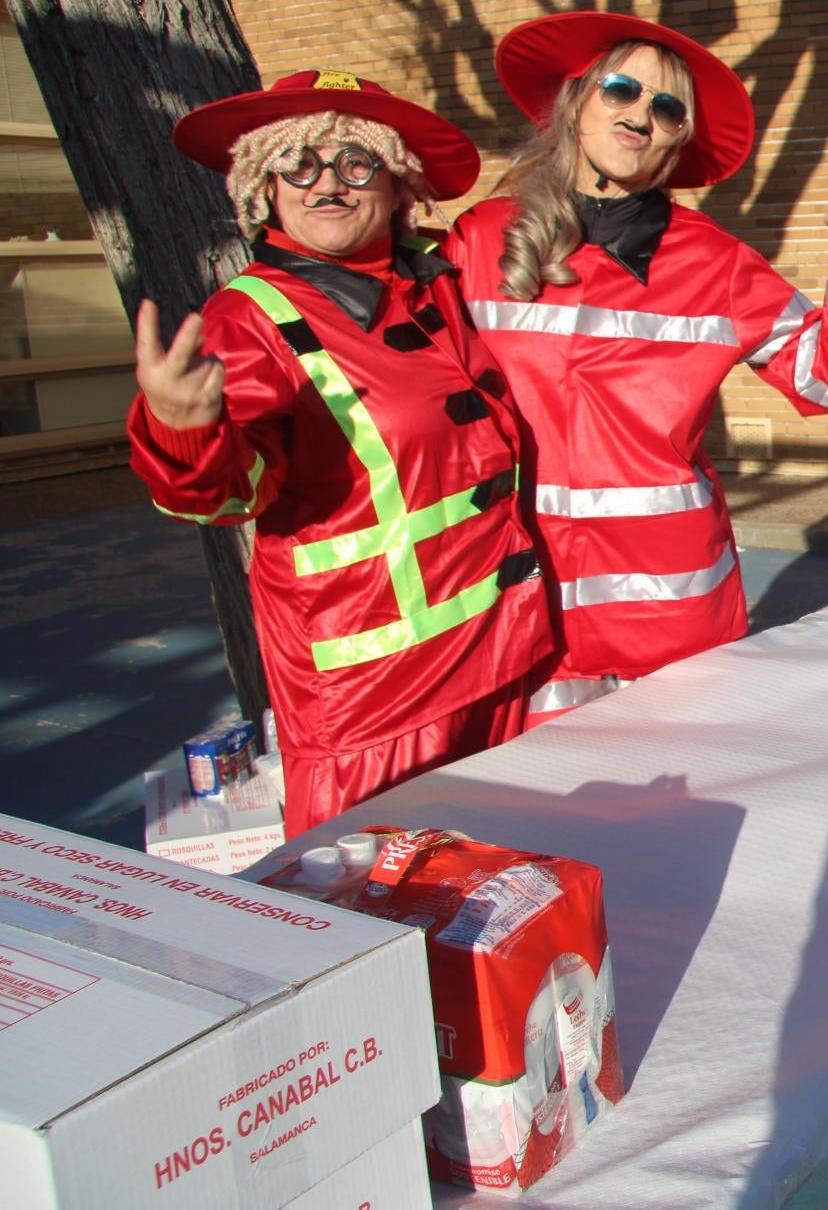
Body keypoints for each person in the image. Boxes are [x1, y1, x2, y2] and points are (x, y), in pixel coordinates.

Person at [129, 70, 553, 836]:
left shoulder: (433, 288)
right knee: (379, 914)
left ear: (398, 186)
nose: (326, 183)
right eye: (297, 164)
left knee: (503, 893)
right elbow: (229, 495)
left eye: (356, 163)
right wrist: (184, 429)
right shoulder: (249, 320)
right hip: (373, 702)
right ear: (266, 186)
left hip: (495, 656)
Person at [447, 13, 828, 721]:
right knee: (527, 821)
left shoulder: (715, 262)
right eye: (621, 91)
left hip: (672, 602)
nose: (641, 116)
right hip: (522, 599)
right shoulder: (477, 241)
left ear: (678, 137)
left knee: (671, 812)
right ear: (576, 101)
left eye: (665, 108)